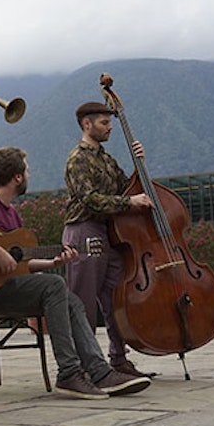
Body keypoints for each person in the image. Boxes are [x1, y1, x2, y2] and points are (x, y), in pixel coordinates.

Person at [0, 147, 151, 399]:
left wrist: (53, 263)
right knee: (55, 286)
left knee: (71, 298)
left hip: (4, 288)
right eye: (27, 171)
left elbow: (20, 264)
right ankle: (69, 372)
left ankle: (99, 371)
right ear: (17, 178)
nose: (28, 175)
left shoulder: (12, 214)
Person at [62, 102, 155, 379]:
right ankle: (83, 366)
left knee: (117, 299)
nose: (110, 127)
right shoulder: (78, 158)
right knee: (83, 303)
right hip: (83, 230)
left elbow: (128, 187)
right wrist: (129, 201)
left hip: (107, 233)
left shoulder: (106, 159)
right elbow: (89, 199)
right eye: (104, 122)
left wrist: (140, 162)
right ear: (87, 124)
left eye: (110, 122)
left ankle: (118, 359)